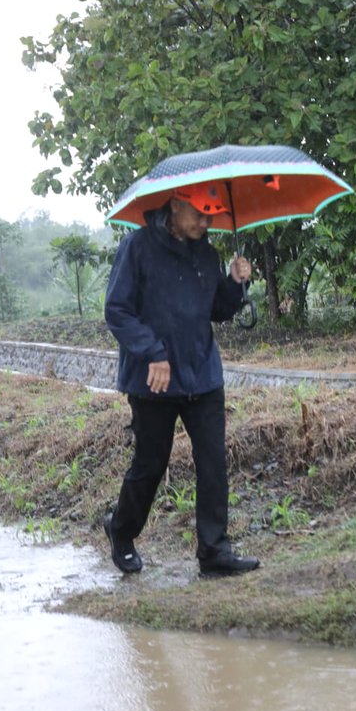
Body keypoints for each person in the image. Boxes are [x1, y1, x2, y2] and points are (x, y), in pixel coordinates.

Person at [102, 182, 261, 578]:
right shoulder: (136, 247)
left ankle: (214, 551)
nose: (205, 222)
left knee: (213, 462)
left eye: (211, 215)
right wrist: (153, 352)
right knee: (150, 464)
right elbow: (117, 311)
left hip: (202, 374)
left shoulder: (207, 254)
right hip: (152, 382)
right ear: (175, 205)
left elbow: (217, 310)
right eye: (198, 213)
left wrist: (236, 284)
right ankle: (121, 530)